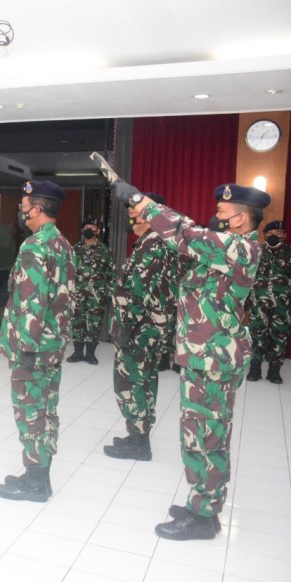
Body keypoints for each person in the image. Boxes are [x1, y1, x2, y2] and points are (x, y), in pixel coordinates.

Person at [112, 181, 268, 541]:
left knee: (208, 438)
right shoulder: (222, 251)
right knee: (197, 435)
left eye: (222, 212)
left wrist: (140, 202)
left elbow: (184, 233)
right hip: (203, 358)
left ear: (240, 219)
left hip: (215, 361)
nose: (215, 216)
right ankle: (201, 503)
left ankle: (204, 516)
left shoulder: (241, 249)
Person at [0, 180, 74, 503]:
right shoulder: (63, 243)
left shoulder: (34, 246)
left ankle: (36, 483)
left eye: (24, 206)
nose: (21, 211)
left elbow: (32, 301)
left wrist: (26, 348)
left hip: (33, 347)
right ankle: (38, 474)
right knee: (47, 409)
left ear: (36, 209)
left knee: (30, 412)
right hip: (52, 344)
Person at [103, 194, 176, 461]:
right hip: (146, 329)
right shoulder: (152, 242)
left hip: (139, 331)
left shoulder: (152, 246)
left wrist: (125, 329)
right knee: (143, 381)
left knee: (131, 383)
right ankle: (137, 435)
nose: (132, 217)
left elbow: (138, 294)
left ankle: (139, 443)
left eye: (136, 212)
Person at [247, 220, 291, 384]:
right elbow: (246, 277)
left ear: (284, 235)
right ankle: (255, 368)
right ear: (264, 235)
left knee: (279, 337)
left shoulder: (289, 253)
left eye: (278, 234)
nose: (274, 236)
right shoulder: (255, 252)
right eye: (270, 234)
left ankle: (274, 370)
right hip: (258, 304)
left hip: (283, 306)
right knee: (257, 335)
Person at [66, 218, 114, 365]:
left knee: (94, 324)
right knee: (77, 323)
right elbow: (67, 271)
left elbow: (111, 273)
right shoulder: (74, 249)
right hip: (77, 293)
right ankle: (78, 352)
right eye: (86, 227)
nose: (89, 230)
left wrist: (109, 293)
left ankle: (90, 354)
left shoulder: (104, 250)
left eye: (92, 227)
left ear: (98, 231)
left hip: (96, 295)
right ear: (82, 230)